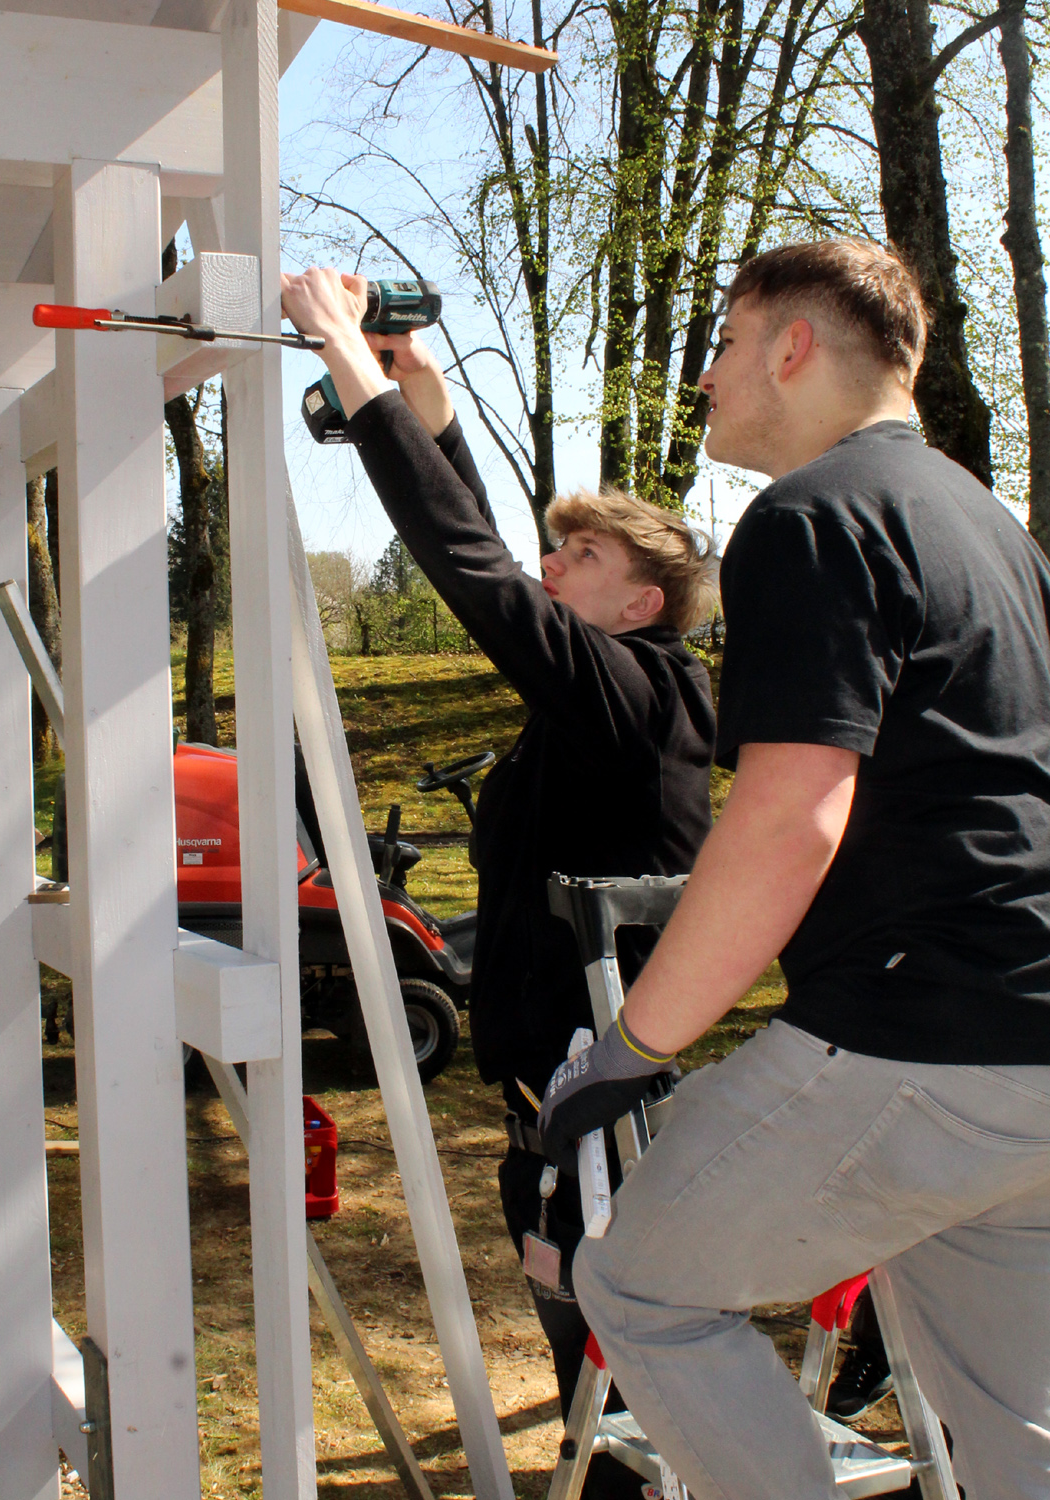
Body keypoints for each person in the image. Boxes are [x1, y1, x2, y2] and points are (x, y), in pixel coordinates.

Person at [535, 237, 1050, 1500]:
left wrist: (631, 1049)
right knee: (1021, 1439)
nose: (704, 378)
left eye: (719, 345)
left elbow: (787, 818)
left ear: (792, 346)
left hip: (934, 1038)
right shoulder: (987, 523)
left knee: (638, 1283)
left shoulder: (813, 518)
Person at [280, 266, 718, 1499]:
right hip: (557, 1095)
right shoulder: (600, 696)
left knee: (625, 1341)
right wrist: (428, 398)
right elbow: (505, 577)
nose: (549, 563)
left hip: (611, 1100)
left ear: (640, 602)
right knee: (576, 1311)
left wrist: (349, 367)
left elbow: (475, 575)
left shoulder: (638, 696)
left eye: (578, 555)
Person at [825, 587, 1050, 1459]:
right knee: (958, 1251)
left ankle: (1044, 1415)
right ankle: (898, 1376)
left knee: (1016, 1267)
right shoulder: (983, 769)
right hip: (1001, 1063)